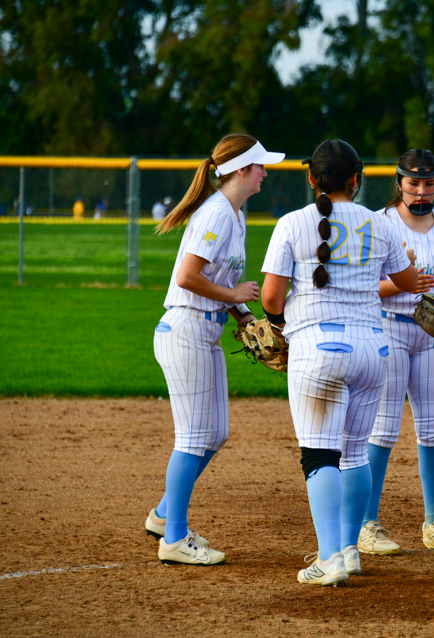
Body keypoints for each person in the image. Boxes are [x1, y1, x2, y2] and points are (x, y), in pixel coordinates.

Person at [261, 139, 419, 586]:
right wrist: (406, 260)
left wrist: (279, 325)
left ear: (312, 179)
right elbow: (407, 282)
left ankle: (329, 558)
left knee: (319, 454)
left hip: (317, 348)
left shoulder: (292, 222)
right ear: (356, 179)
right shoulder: (379, 223)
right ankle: (349, 552)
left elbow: (271, 298)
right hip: (372, 349)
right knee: (354, 454)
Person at [147, 133, 284, 565]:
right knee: (192, 438)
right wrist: (234, 295)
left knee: (216, 433)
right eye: (260, 166)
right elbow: (187, 277)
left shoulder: (234, 215)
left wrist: (242, 314)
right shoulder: (217, 214)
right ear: (241, 170)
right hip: (186, 329)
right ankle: (174, 539)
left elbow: (218, 282)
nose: (265, 174)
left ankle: (165, 514)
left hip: (206, 331)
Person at [358, 149, 434, 557]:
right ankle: (366, 524)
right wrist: (402, 285)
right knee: (382, 431)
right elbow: (362, 286)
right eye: (413, 183)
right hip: (388, 327)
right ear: (399, 183)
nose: (421, 191)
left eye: (428, 183)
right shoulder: (378, 223)